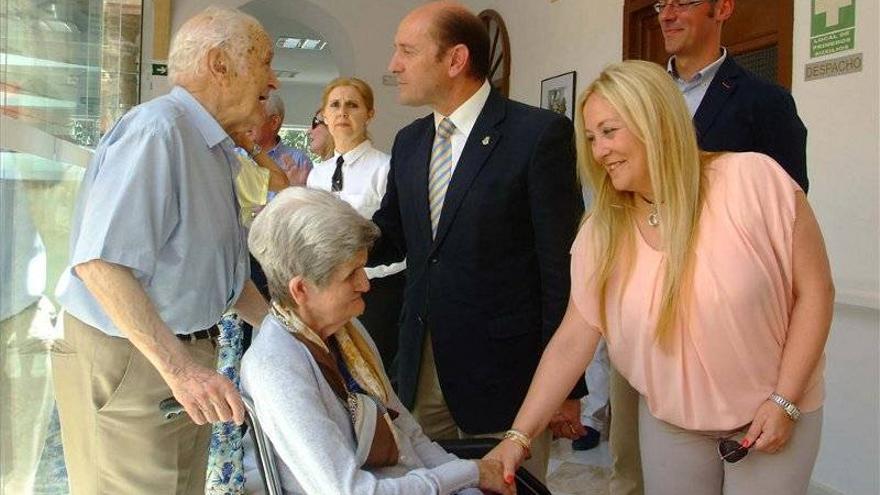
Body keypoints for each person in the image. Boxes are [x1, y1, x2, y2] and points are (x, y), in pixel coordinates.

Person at [487, 60, 834, 495]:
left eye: (610, 132)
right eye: (591, 138)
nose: (598, 151)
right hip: (673, 424)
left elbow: (816, 292)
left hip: (772, 411)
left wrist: (785, 400)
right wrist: (518, 437)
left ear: (656, 120)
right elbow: (574, 338)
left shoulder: (753, 180)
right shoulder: (602, 229)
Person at [51, 7, 276, 494]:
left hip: (182, 354)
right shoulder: (158, 131)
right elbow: (100, 264)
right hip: (135, 356)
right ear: (220, 64)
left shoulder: (213, 148)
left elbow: (223, 276)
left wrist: (288, 332)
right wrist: (180, 370)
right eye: (265, 62)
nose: (273, 80)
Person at [371, 1, 586, 482]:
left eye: (407, 51)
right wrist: (325, 238)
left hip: (507, 377)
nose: (394, 65)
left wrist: (568, 385)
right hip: (421, 368)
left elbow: (561, 269)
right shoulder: (409, 142)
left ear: (455, 60)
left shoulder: (537, 135)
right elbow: (393, 237)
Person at [608, 3, 812, 492]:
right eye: (661, 4)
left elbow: (789, 223)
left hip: (727, 334)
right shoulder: (632, 98)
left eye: (682, 1)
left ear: (722, 7)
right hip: (645, 324)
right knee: (631, 469)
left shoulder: (764, 103)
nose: (667, 14)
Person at [240, 187, 512, 495]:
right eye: (351, 274)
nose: (365, 283)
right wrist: (468, 472)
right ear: (300, 290)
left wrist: (467, 482)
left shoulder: (348, 332)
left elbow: (408, 433)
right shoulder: (275, 367)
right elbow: (349, 491)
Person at [306, 77, 405, 375]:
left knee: (377, 372)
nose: (343, 112)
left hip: (378, 290)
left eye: (352, 105)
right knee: (335, 371)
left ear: (369, 114)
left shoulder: (386, 168)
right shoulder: (317, 174)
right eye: (335, 105)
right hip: (329, 288)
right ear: (324, 114)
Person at [254, 93, 313, 186]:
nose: (246, 123)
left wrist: (292, 188)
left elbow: (310, 200)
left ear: (274, 122)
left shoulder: (299, 161)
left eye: (254, 116)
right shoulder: (235, 156)